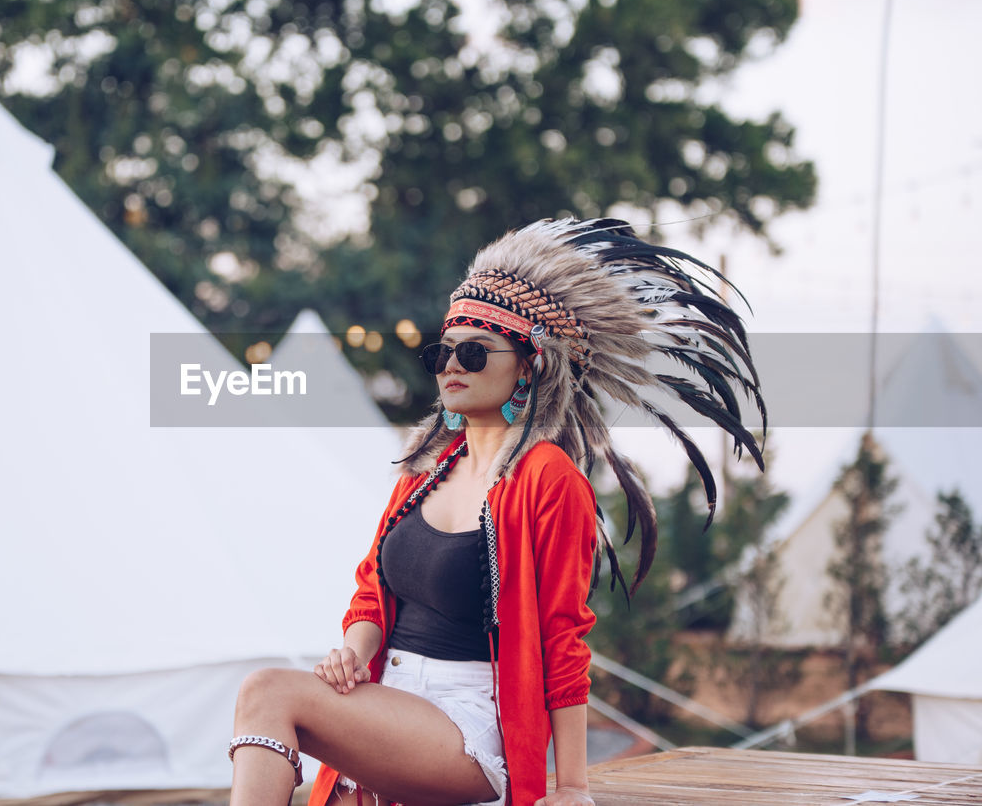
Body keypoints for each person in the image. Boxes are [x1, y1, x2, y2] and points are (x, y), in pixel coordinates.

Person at [227, 217, 765, 806]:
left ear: (529, 366)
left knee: (267, 691)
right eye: (444, 351)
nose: (451, 365)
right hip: (386, 698)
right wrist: (351, 658)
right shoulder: (423, 468)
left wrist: (574, 786)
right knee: (267, 697)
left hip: (469, 724)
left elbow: (564, 635)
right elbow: (371, 589)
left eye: (475, 352)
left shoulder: (547, 479)